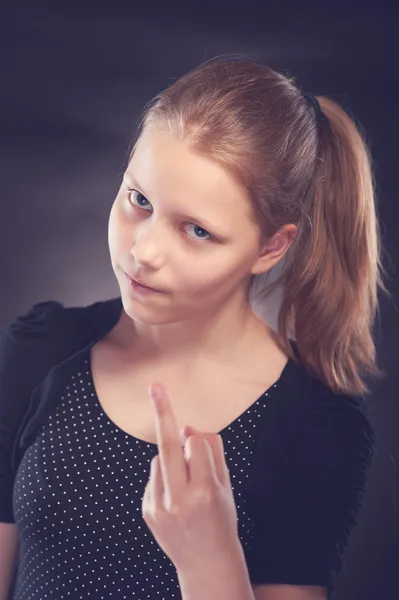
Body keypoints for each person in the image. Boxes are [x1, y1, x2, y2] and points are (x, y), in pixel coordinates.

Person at [0, 55, 391, 600]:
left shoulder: (315, 428)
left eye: (197, 231)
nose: (144, 251)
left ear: (271, 246)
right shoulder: (41, 350)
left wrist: (209, 562)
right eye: (139, 200)